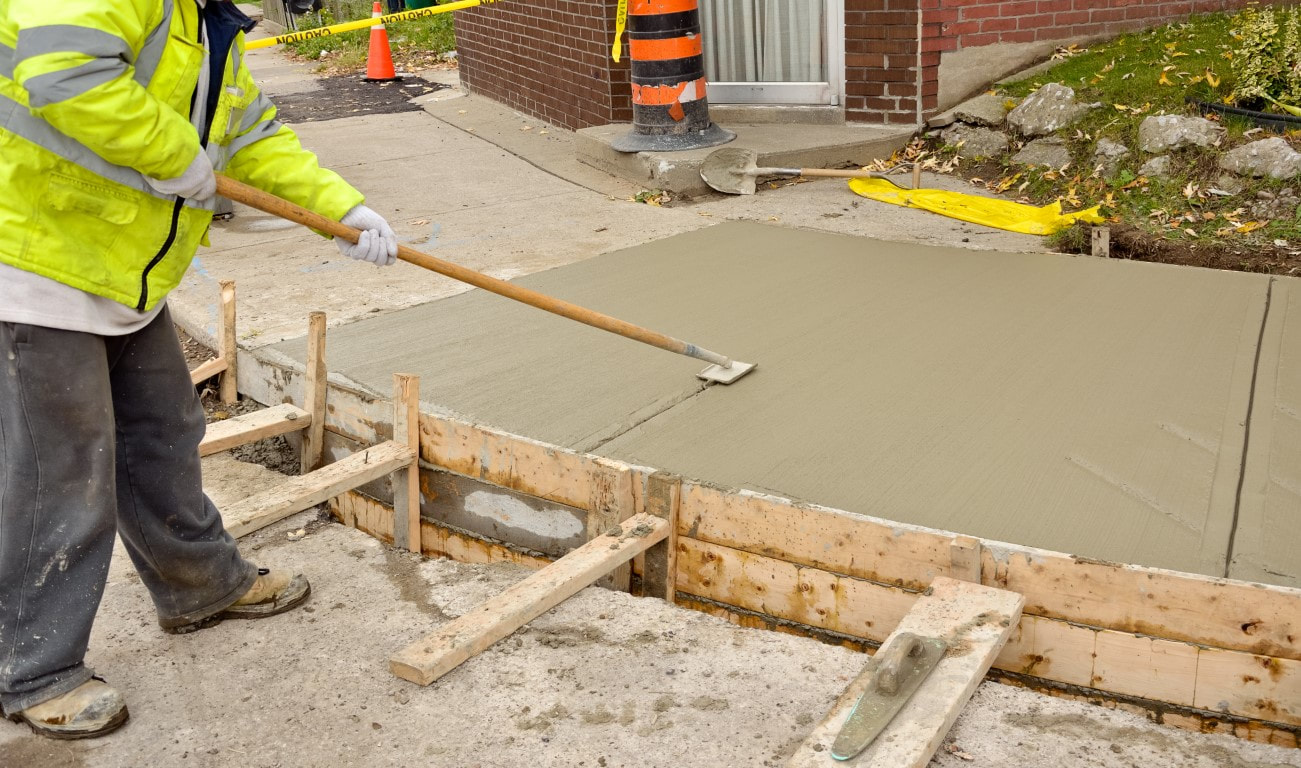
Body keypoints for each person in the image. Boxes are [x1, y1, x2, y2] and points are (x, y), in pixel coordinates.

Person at [0, 0, 398, 739]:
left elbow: (249, 139)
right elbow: (63, 72)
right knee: (60, 469)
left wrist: (342, 210)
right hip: (31, 260)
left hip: (119, 269)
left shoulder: (207, 23)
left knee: (162, 432)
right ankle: (34, 668)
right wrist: (177, 160)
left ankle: (200, 586)